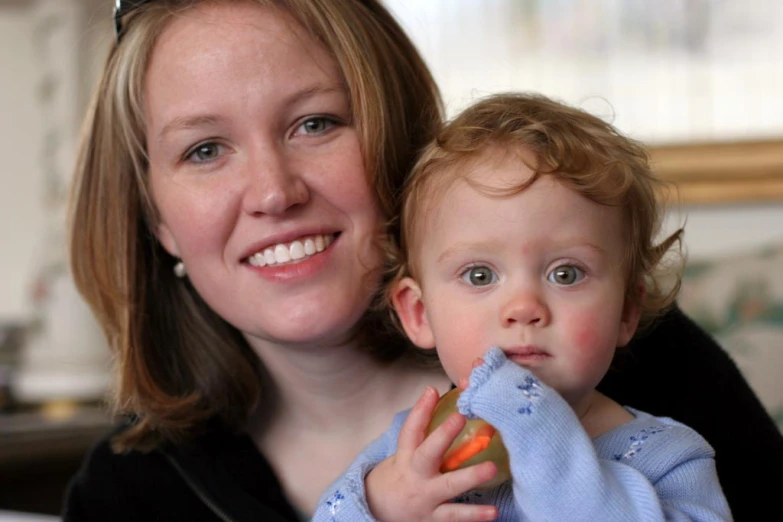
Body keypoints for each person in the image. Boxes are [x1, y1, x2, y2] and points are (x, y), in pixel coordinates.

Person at [63, 1, 782, 521]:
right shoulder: (125, 496)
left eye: (317, 123)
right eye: (204, 150)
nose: (274, 192)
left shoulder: (623, 357)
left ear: (398, 141)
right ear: (155, 216)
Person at [313, 92, 731, 521]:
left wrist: (537, 428)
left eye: (565, 274)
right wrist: (379, 508)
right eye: (480, 276)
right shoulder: (416, 446)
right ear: (419, 314)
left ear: (626, 312)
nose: (524, 308)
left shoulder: (670, 458)